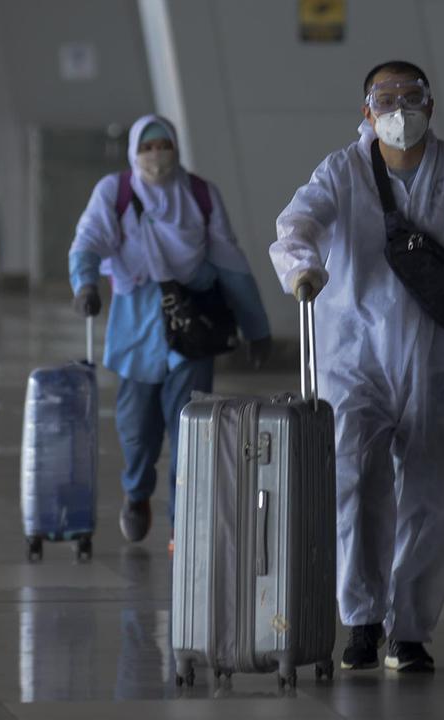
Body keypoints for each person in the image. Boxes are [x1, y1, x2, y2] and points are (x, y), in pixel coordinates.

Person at [270, 61, 444, 673]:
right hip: (353, 358)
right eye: (386, 98)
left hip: (436, 356)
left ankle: (411, 629)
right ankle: (362, 620)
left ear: (431, 105)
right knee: (354, 485)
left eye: (411, 96)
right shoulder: (342, 172)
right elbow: (297, 223)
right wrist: (302, 267)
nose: (399, 110)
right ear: (366, 111)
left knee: (431, 494)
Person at [69, 115, 272, 548]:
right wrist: (85, 284)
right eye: (147, 147)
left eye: (164, 145)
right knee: (136, 431)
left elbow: (231, 263)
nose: (156, 155)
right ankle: (137, 492)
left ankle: (184, 524)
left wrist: (257, 327)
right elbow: (88, 240)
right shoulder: (115, 192)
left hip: (192, 327)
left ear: (176, 148)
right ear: (133, 152)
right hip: (136, 327)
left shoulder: (199, 195)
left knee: (191, 430)